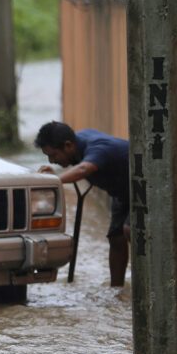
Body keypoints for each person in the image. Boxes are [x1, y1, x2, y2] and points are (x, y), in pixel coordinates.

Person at [34, 121, 130, 286]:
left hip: (142, 186)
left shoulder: (98, 148)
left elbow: (84, 169)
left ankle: (149, 287)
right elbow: (80, 166)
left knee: (128, 230)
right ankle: (117, 290)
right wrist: (56, 173)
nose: (51, 160)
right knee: (115, 238)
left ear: (68, 145)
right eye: (48, 156)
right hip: (121, 193)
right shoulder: (78, 142)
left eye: (54, 155)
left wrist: (53, 180)